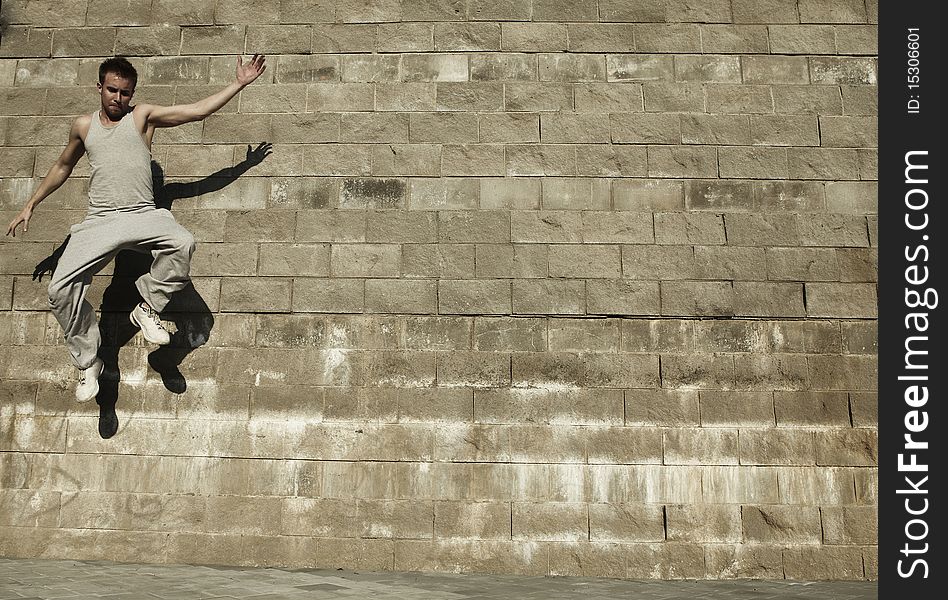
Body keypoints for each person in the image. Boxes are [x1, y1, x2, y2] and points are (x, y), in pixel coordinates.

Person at [5, 54, 267, 402]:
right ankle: (88, 362)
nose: (118, 98)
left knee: (182, 242)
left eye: (125, 92)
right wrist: (30, 203)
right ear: (99, 87)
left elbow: (196, 111)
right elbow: (62, 166)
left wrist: (238, 83)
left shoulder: (141, 117)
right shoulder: (84, 126)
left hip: (143, 214)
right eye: (112, 90)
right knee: (59, 290)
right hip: (99, 221)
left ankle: (147, 309)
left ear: (133, 93)